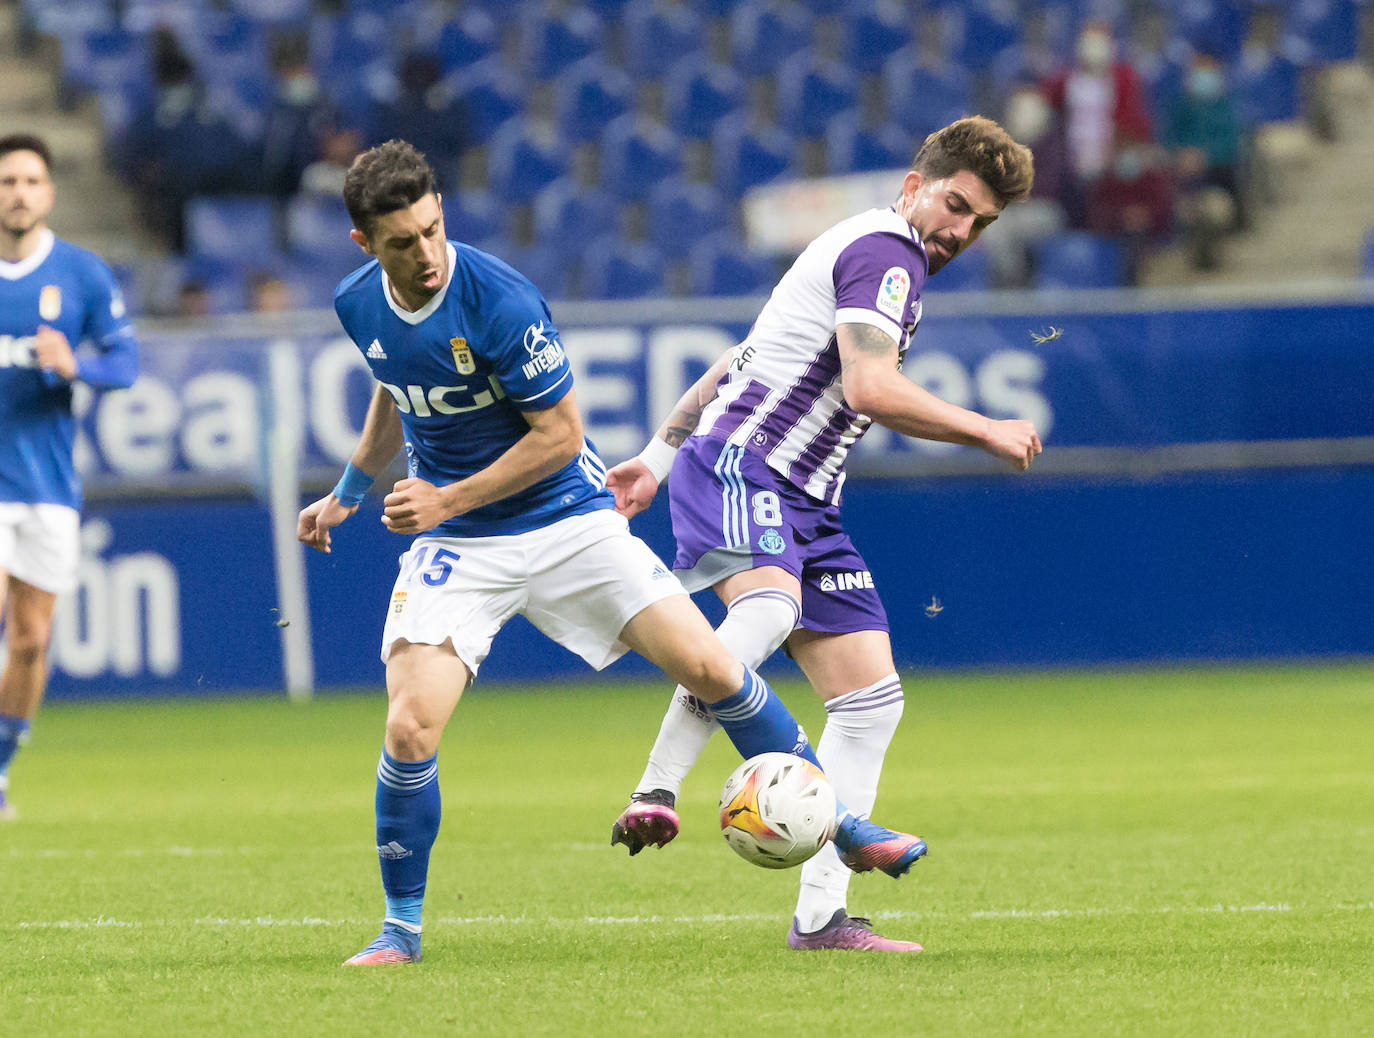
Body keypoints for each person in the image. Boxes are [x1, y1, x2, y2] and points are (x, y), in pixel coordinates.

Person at [295, 139, 927, 967]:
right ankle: (399, 932)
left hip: (567, 519)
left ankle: (842, 826)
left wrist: (443, 495)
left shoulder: (499, 300)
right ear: (363, 246)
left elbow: (560, 438)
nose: (426, 256)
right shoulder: (357, 303)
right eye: (402, 243)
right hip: (461, 543)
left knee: (708, 665)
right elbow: (395, 380)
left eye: (433, 230)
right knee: (410, 728)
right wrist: (349, 487)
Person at [607, 117, 1042, 952]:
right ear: (914, 185)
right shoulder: (890, 253)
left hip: (807, 499)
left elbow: (742, 358)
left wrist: (657, 457)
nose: (961, 231)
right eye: (955, 205)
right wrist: (985, 428)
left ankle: (822, 919)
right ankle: (657, 790)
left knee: (871, 701)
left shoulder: (870, 253)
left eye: (981, 223)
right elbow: (872, 388)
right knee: (766, 615)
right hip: (746, 466)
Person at [0, 134, 139, 820]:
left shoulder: (81, 274)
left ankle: (0, 767)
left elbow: (126, 365)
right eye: (7, 181)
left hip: (47, 484)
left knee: (31, 640)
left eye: (30, 181)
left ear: (49, 192)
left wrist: (74, 365)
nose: (18, 192)